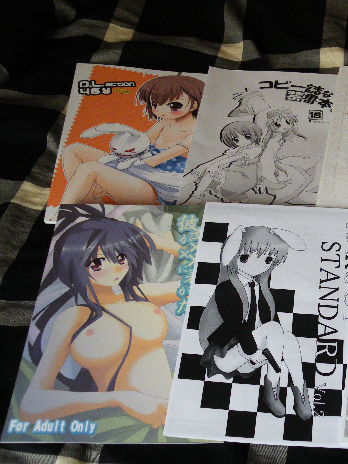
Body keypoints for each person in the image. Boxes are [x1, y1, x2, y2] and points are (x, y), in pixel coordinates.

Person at [20, 205, 184, 428]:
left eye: (120, 257)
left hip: (176, 409)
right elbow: (32, 404)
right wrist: (119, 399)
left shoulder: (139, 294)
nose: (115, 269)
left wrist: (162, 243)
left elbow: (204, 277)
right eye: (97, 263)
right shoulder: (75, 317)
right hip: (127, 424)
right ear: (75, 264)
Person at [198, 225, 312, 420]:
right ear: (233, 256)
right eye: (245, 257)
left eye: (268, 260)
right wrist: (264, 354)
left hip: (257, 355)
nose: (257, 265)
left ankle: (299, 394)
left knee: (290, 339)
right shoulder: (226, 288)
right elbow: (235, 324)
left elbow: (272, 329)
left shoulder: (262, 290)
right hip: (230, 357)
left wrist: (270, 350)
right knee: (274, 329)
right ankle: (272, 387)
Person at [60, 74, 204, 205]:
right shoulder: (166, 121)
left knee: (89, 168)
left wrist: (114, 164)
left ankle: (66, 209)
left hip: (154, 185)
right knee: (73, 149)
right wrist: (122, 138)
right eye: (155, 104)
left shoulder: (195, 134)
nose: (160, 110)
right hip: (134, 168)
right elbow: (143, 141)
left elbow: (154, 160)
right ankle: (88, 200)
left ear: (195, 105)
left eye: (173, 105)